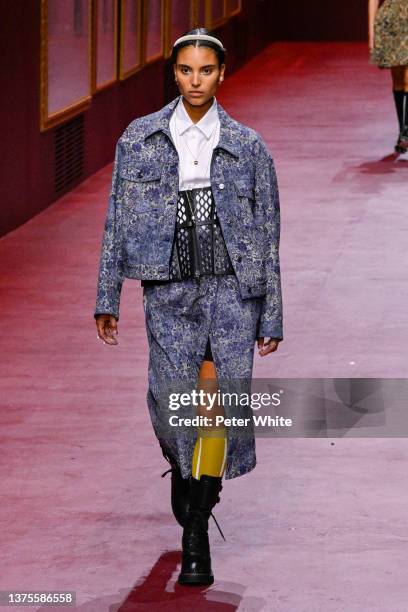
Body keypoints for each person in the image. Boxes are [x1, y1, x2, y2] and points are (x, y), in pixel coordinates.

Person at [94, 27, 283, 586]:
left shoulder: (248, 145)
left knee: (216, 403)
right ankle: (187, 477)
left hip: (231, 286)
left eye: (205, 70)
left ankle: (195, 527)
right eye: (185, 71)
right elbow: (116, 220)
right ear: (173, 74)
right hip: (169, 288)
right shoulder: (140, 138)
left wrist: (272, 313)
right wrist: (108, 296)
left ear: (221, 74)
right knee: (170, 401)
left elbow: (268, 233)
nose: (195, 80)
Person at [369, 0, 408, 152]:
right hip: (391, 20)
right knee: (398, 81)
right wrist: (371, 32)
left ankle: (406, 132)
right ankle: (402, 132)